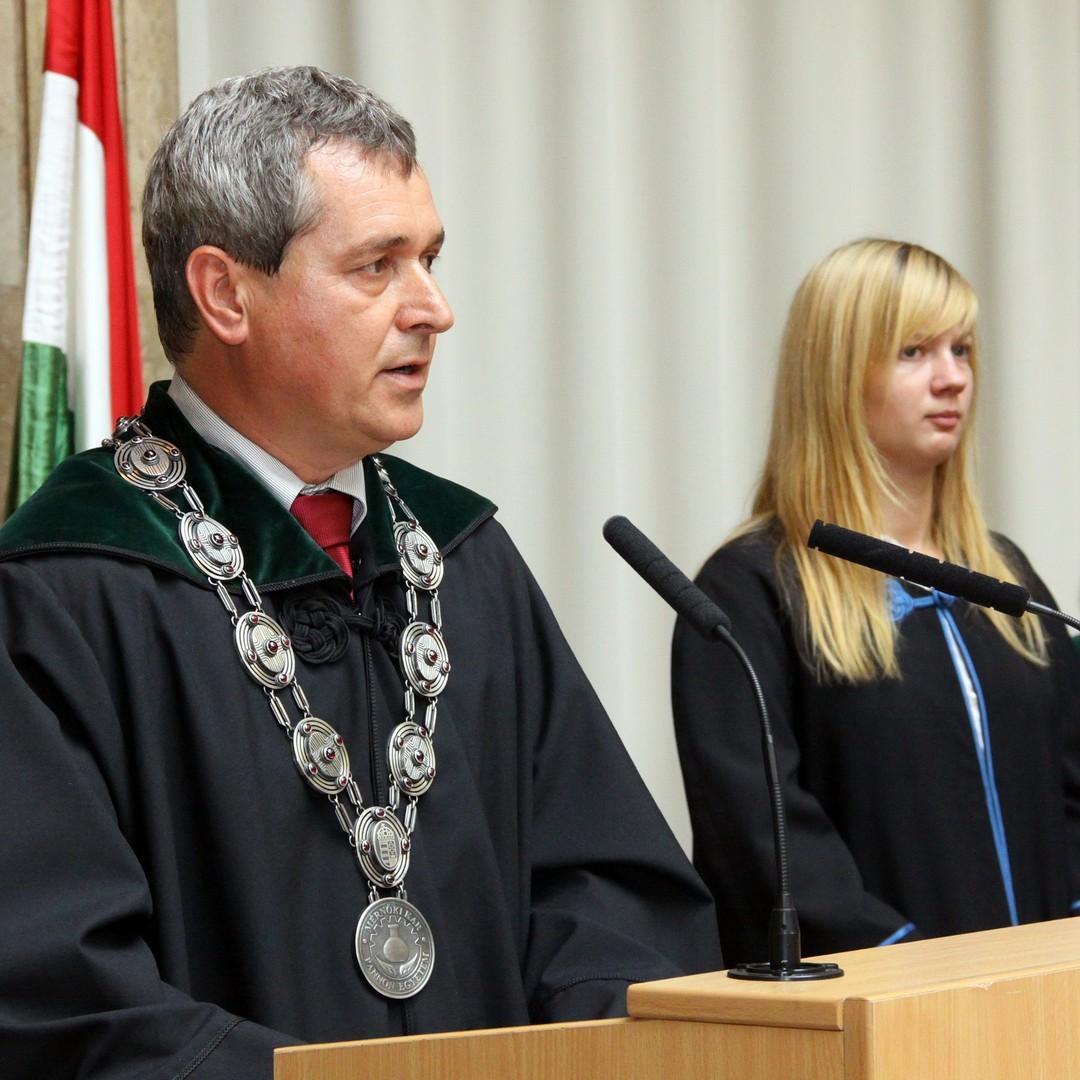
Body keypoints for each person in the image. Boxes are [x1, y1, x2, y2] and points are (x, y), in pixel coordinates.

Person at [0, 67, 721, 1078]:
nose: (435, 308)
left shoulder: (461, 556)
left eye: (429, 258)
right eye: (377, 266)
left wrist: (585, 1043)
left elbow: (607, 896)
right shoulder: (69, 587)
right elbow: (60, 993)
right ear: (225, 294)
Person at [672, 237, 1080, 966]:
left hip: (1043, 997)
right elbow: (760, 833)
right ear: (835, 374)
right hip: (876, 1002)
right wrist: (904, 961)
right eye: (913, 352)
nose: (952, 378)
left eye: (962, 350)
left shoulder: (1007, 580)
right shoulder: (752, 589)